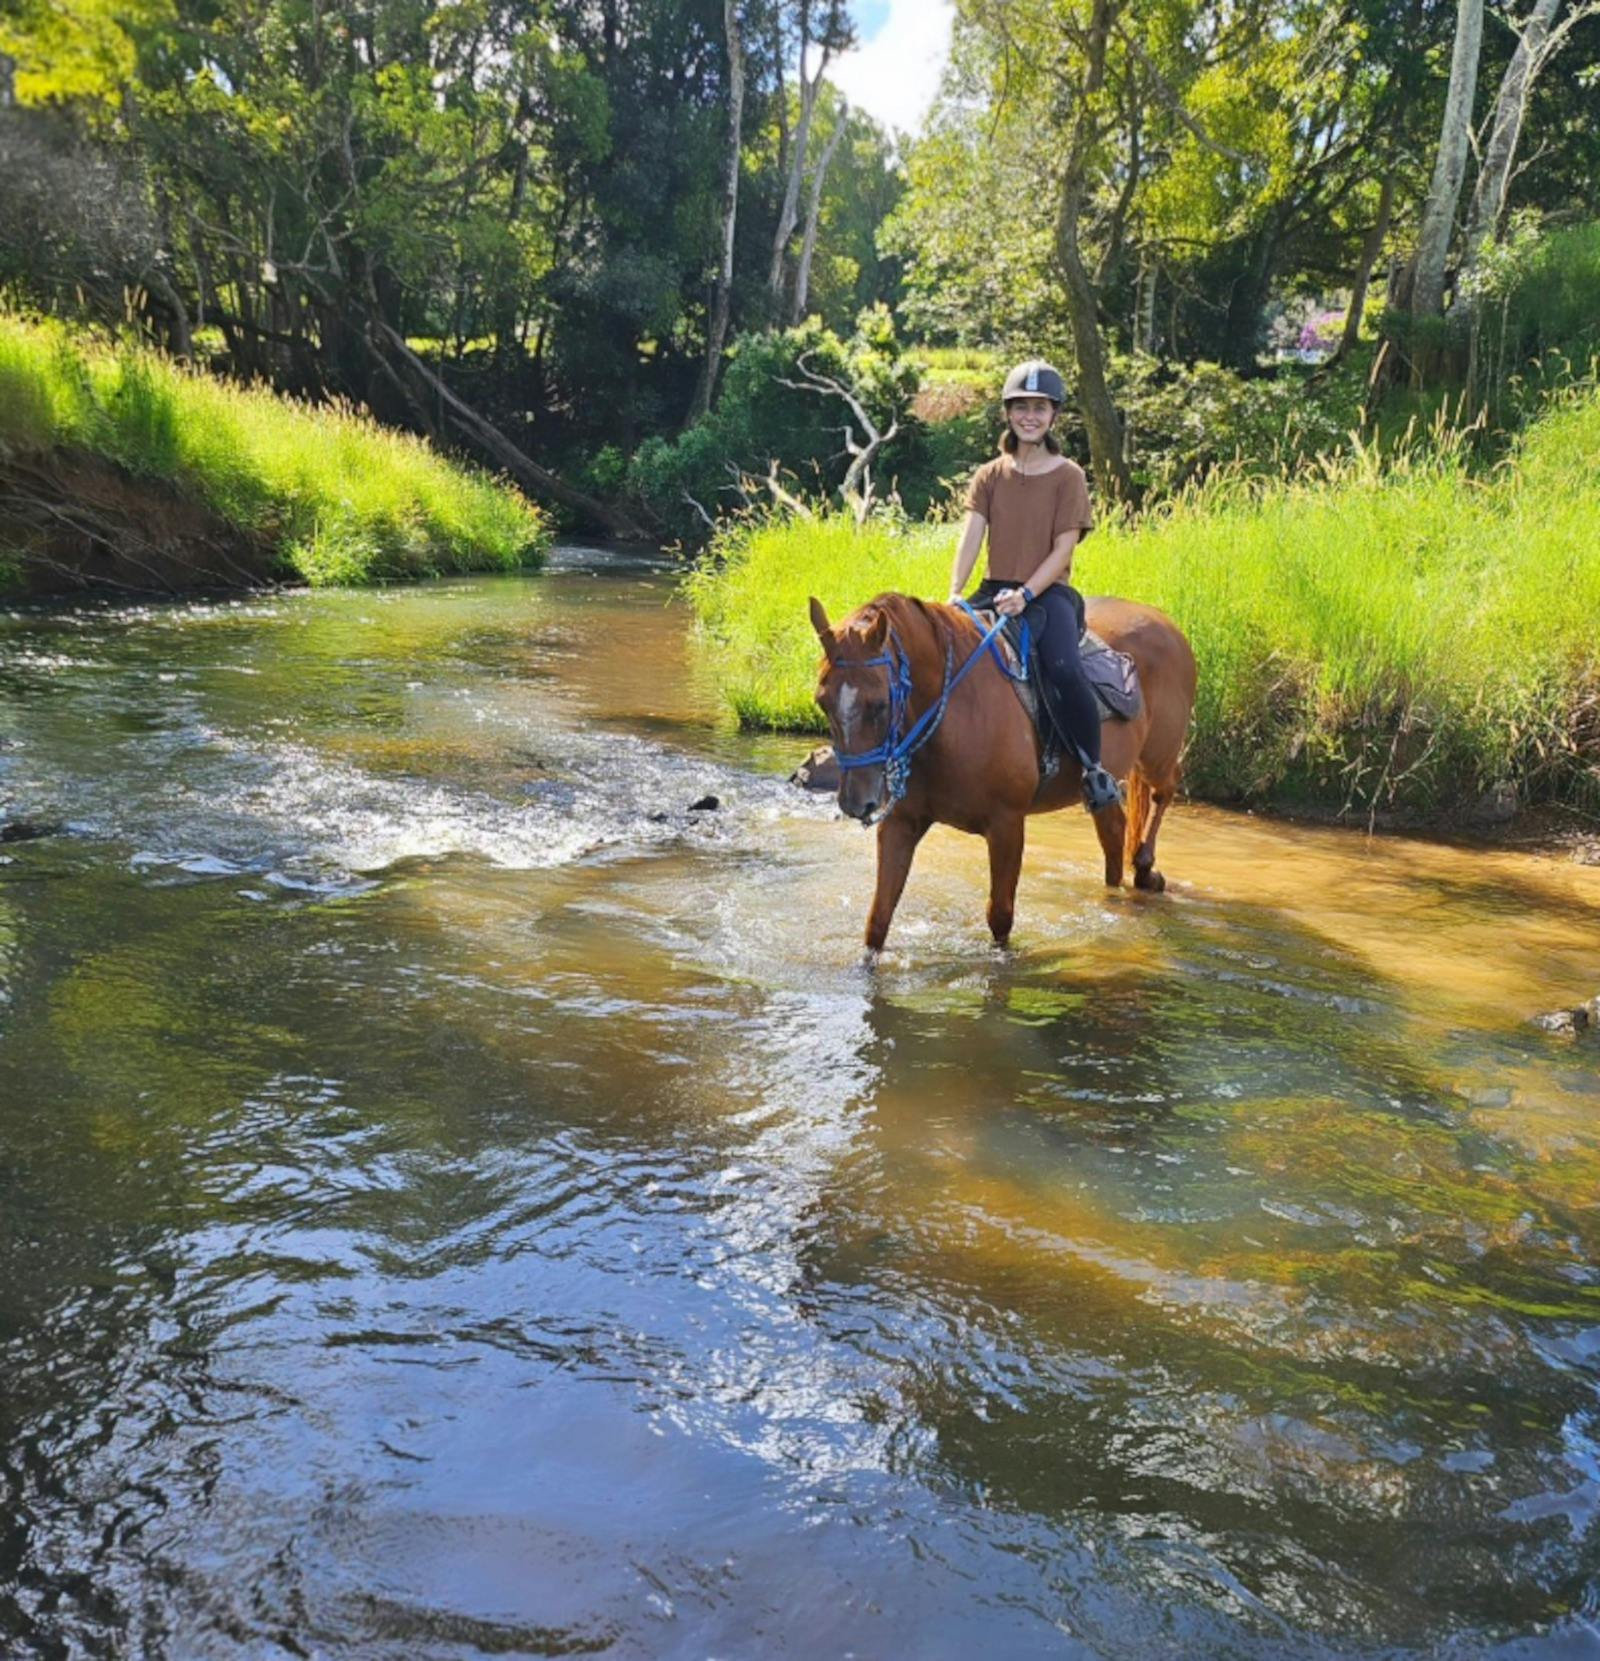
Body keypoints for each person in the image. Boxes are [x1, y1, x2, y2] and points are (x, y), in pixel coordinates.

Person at [947, 359, 1122, 812]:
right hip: (992, 587)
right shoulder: (989, 474)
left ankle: (1093, 769)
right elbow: (972, 535)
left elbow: (1064, 549)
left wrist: (1025, 594)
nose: (1030, 416)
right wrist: (954, 591)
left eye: (1039, 408)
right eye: (1021, 406)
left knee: (1063, 667)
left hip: (1048, 595)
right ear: (1008, 412)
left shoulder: (1069, 476)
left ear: (1054, 415)